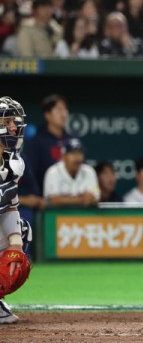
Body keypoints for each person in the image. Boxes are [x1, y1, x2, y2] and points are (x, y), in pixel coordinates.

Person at [0, 97, 33, 324]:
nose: (13, 127)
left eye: (15, 121)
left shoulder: (13, 163)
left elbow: (9, 206)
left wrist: (15, 243)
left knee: (22, 232)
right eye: (7, 122)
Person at [24, 94, 72, 195]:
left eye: (65, 109)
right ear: (47, 115)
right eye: (59, 110)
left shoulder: (72, 141)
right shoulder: (36, 141)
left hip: (73, 198)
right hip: (45, 199)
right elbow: (30, 174)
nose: (64, 114)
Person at [43, 138, 100, 207]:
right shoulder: (53, 172)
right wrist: (80, 200)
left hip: (83, 214)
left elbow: (96, 197)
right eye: (73, 153)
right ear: (63, 156)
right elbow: (53, 200)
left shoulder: (89, 172)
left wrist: (92, 199)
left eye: (80, 153)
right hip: (59, 214)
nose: (78, 158)